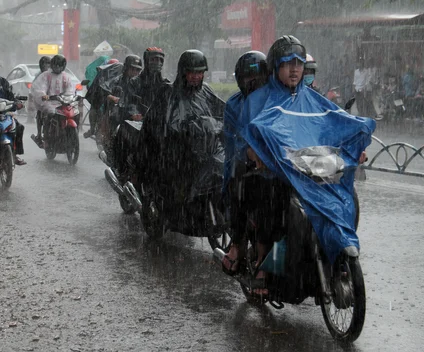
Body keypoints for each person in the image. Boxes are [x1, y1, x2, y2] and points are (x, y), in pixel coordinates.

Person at [226, 36, 372, 297]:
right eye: (287, 63)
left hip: (308, 173)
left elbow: (336, 124)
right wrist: (255, 153)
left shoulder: (313, 99)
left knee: (343, 199)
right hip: (273, 175)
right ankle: (264, 265)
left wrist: (354, 149)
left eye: (298, 63)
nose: (294, 69)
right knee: (275, 205)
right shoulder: (258, 100)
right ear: (275, 67)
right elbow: (245, 138)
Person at [136, 49, 224, 205]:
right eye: (192, 72)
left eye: (200, 72)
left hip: (201, 150)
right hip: (176, 153)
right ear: (183, 72)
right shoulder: (168, 93)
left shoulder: (206, 91)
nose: (196, 76)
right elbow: (162, 127)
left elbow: (222, 113)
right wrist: (185, 131)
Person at [220, 51, 270, 277]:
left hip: (281, 166)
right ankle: (240, 245)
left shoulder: (279, 98)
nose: (253, 82)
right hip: (248, 167)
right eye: (247, 78)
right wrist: (250, 154)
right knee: (246, 188)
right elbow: (233, 140)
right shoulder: (234, 104)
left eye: (257, 77)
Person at [30, 54, 74, 147]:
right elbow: (40, 87)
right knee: (49, 113)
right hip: (49, 102)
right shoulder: (46, 75)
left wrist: (69, 96)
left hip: (62, 102)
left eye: (59, 65)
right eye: (56, 65)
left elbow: (70, 88)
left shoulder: (66, 77)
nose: (57, 67)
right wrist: (43, 95)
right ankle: (46, 136)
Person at [83, 59, 122, 139]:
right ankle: (93, 129)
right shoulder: (102, 77)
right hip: (102, 102)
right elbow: (98, 89)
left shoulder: (122, 78)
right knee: (94, 110)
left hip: (117, 104)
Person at [28, 56, 52, 124]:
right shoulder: (39, 76)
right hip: (43, 98)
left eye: (48, 64)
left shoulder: (53, 74)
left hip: (53, 98)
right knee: (40, 112)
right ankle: (39, 132)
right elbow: (35, 88)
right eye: (44, 64)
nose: (46, 66)